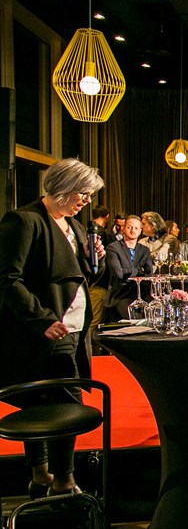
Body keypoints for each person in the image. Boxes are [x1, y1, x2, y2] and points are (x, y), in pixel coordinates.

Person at [0, 158, 107, 499]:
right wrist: (42, 319)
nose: (87, 201)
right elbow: (8, 279)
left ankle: (47, 477)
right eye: (84, 193)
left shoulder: (73, 226)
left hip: (73, 330)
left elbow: (79, 278)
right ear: (64, 187)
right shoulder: (24, 220)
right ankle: (59, 479)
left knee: (60, 404)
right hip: (42, 333)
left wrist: (97, 260)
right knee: (49, 404)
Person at [105, 215, 155, 320]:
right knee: (133, 317)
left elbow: (149, 274)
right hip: (121, 295)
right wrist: (138, 271)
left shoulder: (144, 250)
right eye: (129, 227)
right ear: (123, 228)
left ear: (140, 231)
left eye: (136, 228)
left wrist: (129, 273)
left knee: (154, 313)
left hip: (142, 293)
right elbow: (118, 273)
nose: (133, 231)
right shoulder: (113, 248)